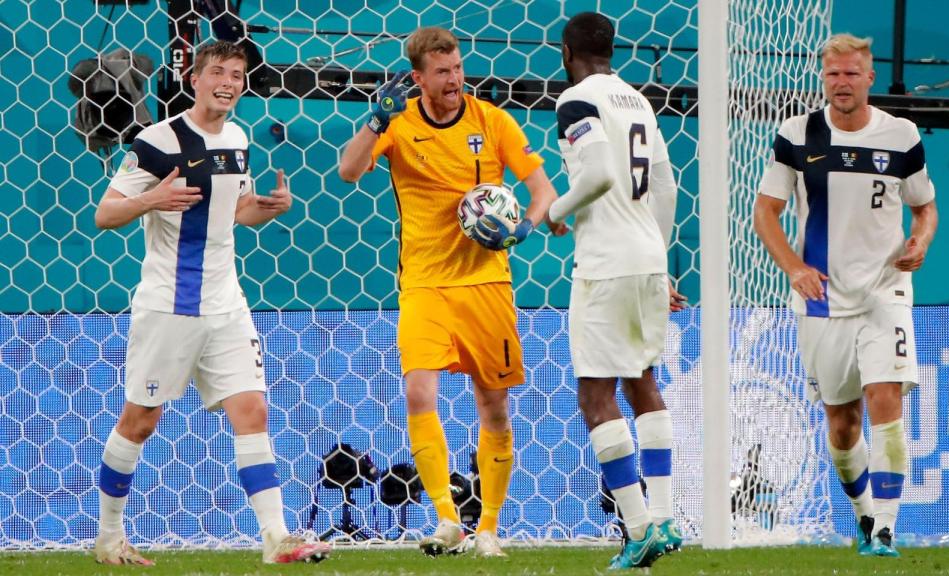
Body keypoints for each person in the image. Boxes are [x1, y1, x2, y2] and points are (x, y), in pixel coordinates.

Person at [92, 40, 331, 566]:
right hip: (169, 305)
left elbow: (237, 214)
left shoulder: (238, 138)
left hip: (226, 303)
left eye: (238, 74)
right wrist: (152, 199)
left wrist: (270, 208)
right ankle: (110, 536)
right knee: (140, 422)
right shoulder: (156, 141)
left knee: (252, 409)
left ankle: (276, 538)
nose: (228, 82)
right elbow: (105, 215)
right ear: (194, 79)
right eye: (218, 72)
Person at [337, 26, 566, 557]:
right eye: (441, 72)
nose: (454, 79)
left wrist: (525, 228)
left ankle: (487, 528)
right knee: (419, 391)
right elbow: (348, 171)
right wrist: (377, 119)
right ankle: (447, 519)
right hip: (423, 283)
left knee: (495, 408)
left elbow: (543, 192)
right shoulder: (399, 123)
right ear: (417, 78)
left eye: (458, 68)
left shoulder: (493, 119)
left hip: (486, 282)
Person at [754, 33, 938, 557]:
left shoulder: (901, 136)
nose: (842, 83)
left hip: (886, 288)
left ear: (870, 78)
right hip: (821, 300)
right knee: (842, 424)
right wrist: (793, 267)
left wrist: (920, 242)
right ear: (823, 78)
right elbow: (766, 210)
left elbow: (924, 206)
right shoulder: (796, 134)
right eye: (833, 74)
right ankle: (863, 517)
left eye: (852, 73)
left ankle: (885, 528)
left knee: (886, 397)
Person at [546, 12, 687, 570]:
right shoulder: (638, 101)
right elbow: (667, 184)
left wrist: (554, 213)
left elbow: (600, 173)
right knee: (642, 380)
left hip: (605, 265)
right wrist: (659, 253)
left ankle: (637, 529)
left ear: (566, 52)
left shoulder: (575, 99)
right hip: (649, 257)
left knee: (596, 395)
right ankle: (667, 518)